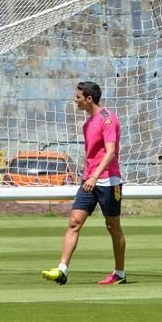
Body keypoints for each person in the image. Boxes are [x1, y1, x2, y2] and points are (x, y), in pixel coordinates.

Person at [42, 81, 126, 285]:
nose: (75, 100)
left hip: (107, 179)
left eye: (78, 97)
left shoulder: (108, 119)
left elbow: (111, 151)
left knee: (112, 225)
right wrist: (89, 176)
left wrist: (95, 176)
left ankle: (120, 273)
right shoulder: (87, 123)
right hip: (88, 180)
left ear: (89, 98)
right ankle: (62, 269)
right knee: (74, 222)